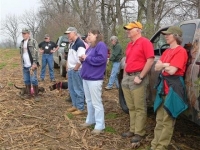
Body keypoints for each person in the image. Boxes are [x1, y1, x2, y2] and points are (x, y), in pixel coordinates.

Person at [150, 26, 188, 150]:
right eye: (165, 34)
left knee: (167, 121)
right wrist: (165, 65)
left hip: (173, 89)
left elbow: (172, 71)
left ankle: (161, 147)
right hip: (163, 88)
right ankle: (154, 145)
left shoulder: (180, 51)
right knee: (159, 119)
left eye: (169, 34)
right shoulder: (167, 51)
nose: (166, 36)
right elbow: (156, 67)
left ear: (176, 36)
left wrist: (164, 65)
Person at [121, 21, 154, 146]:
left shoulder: (145, 42)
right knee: (131, 107)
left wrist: (140, 76)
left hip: (137, 77)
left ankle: (139, 133)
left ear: (138, 30)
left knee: (139, 107)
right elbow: (127, 62)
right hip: (127, 78)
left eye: (130, 29)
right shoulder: (130, 44)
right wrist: (124, 77)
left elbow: (150, 60)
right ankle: (133, 129)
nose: (127, 31)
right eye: (127, 29)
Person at [79, 29, 108, 135]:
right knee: (89, 101)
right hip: (86, 77)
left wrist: (87, 58)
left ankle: (100, 125)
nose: (88, 36)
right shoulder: (91, 47)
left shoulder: (101, 45)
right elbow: (88, 58)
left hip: (95, 78)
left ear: (96, 35)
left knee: (96, 102)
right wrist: (83, 59)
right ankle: (90, 120)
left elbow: (101, 59)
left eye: (90, 34)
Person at [65, 27, 86, 115]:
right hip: (71, 69)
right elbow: (69, 57)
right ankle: (75, 105)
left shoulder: (80, 43)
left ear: (74, 33)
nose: (67, 35)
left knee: (78, 89)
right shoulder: (71, 44)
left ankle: (80, 108)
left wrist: (75, 68)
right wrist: (68, 68)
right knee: (72, 88)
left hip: (76, 70)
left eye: (69, 33)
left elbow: (81, 58)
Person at [19, 28, 40, 101]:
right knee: (26, 80)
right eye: (22, 33)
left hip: (32, 65)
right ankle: (29, 94)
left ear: (28, 34)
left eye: (25, 33)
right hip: (25, 65)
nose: (23, 35)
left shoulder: (33, 41)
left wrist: (35, 63)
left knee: (33, 80)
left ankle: (36, 95)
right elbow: (21, 54)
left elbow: (37, 53)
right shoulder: (22, 42)